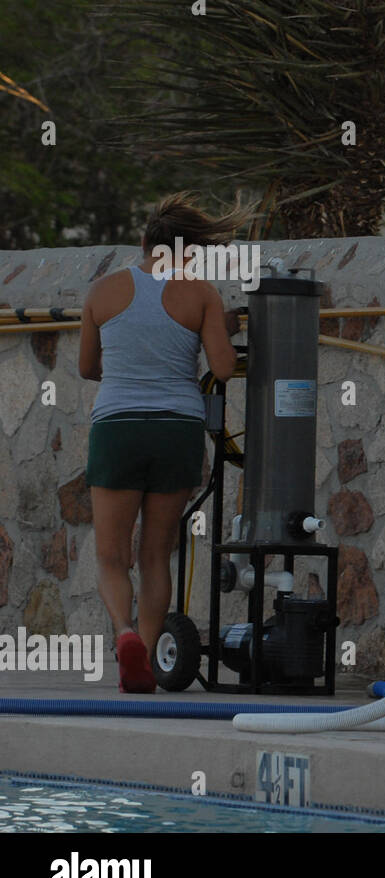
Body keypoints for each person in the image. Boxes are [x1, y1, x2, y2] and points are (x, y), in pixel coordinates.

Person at [78, 192, 244, 693]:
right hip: (177, 430)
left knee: (111, 555)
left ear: (145, 243)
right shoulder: (202, 294)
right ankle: (146, 663)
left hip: (117, 428)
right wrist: (222, 326)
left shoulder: (103, 291)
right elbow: (222, 367)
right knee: (155, 554)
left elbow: (87, 368)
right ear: (188, 251)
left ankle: (125, 634)